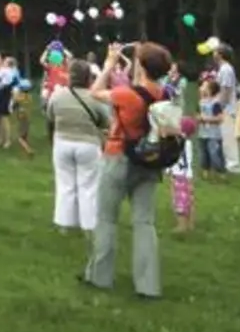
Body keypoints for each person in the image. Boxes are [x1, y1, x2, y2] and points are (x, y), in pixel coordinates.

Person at [82, 41, 171, 299]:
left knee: (107, 218)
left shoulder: (126, 95)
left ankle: (100, 278)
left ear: (141, 66)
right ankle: (148, 285)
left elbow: (94, 92)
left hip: (119, 156)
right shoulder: (164, 95)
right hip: (151, 161)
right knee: (145, 222)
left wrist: (109, 63)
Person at [46, 60, 107, 235]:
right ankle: (89, 226)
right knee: (88, 185)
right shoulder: (94, 98)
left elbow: (50, 118)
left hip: (62, 142)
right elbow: (105, 121)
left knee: (65, 184)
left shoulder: (57, 96)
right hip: (88, 144)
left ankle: (64, 225)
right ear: (88, 78)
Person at [211, 46, 240, 174]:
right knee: (225, 137)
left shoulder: (226, 69)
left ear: (221, 54)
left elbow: (226, 89)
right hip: (226, 107)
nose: (213, 54)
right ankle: (228, 162)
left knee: (229, 137)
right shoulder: (223, 69)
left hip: (228, 109)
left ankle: (234, 165)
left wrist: (220, 106)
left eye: (216, 52)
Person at [170, 117, 197, 233]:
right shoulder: (182, 142)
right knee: (188, 199)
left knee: (180, 201)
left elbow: (186, 162)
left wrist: (188, 178)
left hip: (181, 176)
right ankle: (190, 224)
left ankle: (182, 226)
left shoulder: (183, 143)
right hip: (180, 174)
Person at [196, 80, 227, 180]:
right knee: (203, 154)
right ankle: (206, 173)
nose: (201, 88)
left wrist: (206, 119)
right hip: (202, 133)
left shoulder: (215, 103)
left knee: (215, 154)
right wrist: (198, 118)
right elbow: (197, 114)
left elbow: (220, 118)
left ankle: (221, 173)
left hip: (214, 134)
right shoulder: (201, 102)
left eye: (204, 86)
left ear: (210, 90)